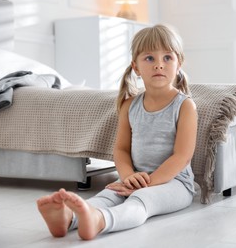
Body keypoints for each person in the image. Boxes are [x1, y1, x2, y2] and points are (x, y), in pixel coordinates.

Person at [36, 24, 198, 240]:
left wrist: (145, 185)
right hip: (136, 178)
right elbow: (121, 149)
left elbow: (182, 156)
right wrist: (129, 177)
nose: (159, 65)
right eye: (149, 58)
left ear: (179, 63)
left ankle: (100, 221)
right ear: (136, 67)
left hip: (175, 183)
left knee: (141, 201)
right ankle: (69, 217)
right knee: (108, 194)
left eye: (167, 58)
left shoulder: (185, 106)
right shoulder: (129, 105)